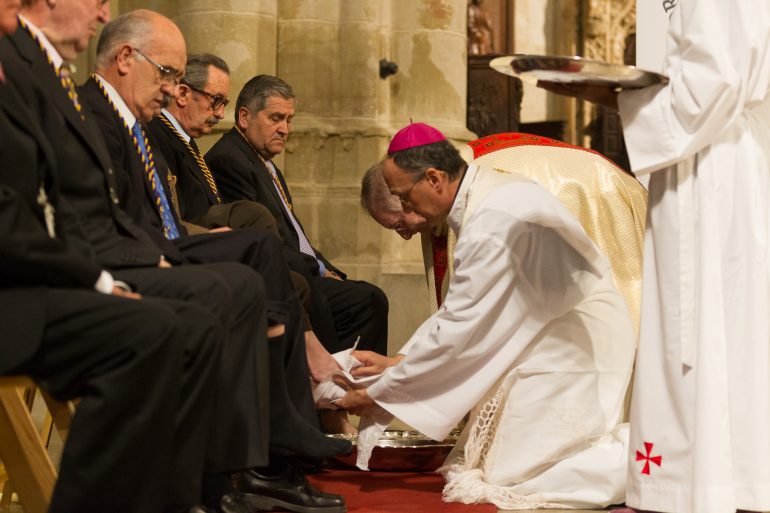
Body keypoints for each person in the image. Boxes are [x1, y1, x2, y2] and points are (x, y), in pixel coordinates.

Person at [538, 1, 770, 512]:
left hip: (704, 167)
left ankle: (696, 486)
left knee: (695, 327)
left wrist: (609, 95)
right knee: (731, 328)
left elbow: (714, 83)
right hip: (720, 158)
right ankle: (735, 479)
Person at [338, 123, 636, 510]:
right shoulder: (485, 194)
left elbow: (462, 327)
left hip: (575, 342)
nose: (409, 220)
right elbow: (462, 313)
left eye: (406, 202)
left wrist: (379, 393)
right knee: (499, 467)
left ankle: (662, 460)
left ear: (434, 179)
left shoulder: (491, 221)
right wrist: (399, 363)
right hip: (549, 331)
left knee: (525, 478)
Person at [0, 1, 224, 511]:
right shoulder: (19, 65)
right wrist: (95, 279)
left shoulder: (34, 68)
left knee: (188, 324)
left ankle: (173, 500)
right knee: (150, 332)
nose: (103, 12)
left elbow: (49, 205)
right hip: (16, 291)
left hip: (33, 275)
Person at [145, 54, 353, 426]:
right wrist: (211, 237)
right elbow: (171, 216)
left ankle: (307, 414)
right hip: (180, 256)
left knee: (316, 287)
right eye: (215, 101)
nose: (218, 112)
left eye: (222, 103)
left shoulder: (186, 142)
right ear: (182, 93)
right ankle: (303, 412)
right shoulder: (164, 136)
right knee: (289, 277)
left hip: (203, 248)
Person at [361, 131, 648, 331]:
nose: (405, 236)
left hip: (595, 189)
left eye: (400, 223)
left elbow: (473, 317)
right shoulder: (455, 188)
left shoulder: (477, 210)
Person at [205, 74, 390, 356]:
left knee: (367, 298)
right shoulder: (230, 160)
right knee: (367, 299)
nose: (284, 129)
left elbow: (295, 232)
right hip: (280, 273)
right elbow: (262, 238)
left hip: (299, 266)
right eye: (276, 118)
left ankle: (351, 382)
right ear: (244, 117)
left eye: (289, 120)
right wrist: (318, 270)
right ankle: (339, 385)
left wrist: (328, 269)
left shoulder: (263, 162)